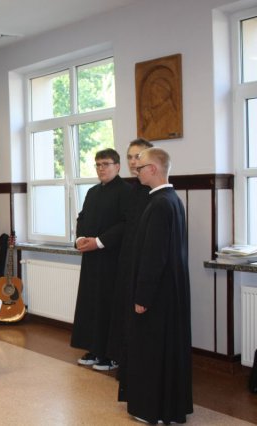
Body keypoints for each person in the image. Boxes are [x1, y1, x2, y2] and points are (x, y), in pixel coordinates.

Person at [119, 147, 192, 424]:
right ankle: (167, 407)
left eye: (140, 167)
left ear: (153, 169)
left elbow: (154, 256)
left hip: (157, 294)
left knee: (151, 350)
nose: (136, 171)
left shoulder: (160, 204)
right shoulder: (172, 199)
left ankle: (153, 409)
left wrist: (142, 296)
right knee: (164, 350)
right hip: (169, 291)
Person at [71, 148, 131, 371]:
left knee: (109, 305)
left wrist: (99, 241)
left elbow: (126, 224)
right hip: (91, 258)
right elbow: (82, 218)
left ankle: (111, 355)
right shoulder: (92, 192)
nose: (101, 169)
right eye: (97, 164)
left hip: (113, 258)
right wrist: (80, 239)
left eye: (106, 164)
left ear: (117, 166)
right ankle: (94, 349)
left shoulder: (127, 191)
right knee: (91, 305)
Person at [106, 138, 154, 368]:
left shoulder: (154, 193)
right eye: (130, 157)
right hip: (127, 261)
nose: (133, 162)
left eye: (138, 157)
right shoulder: (134, 189)